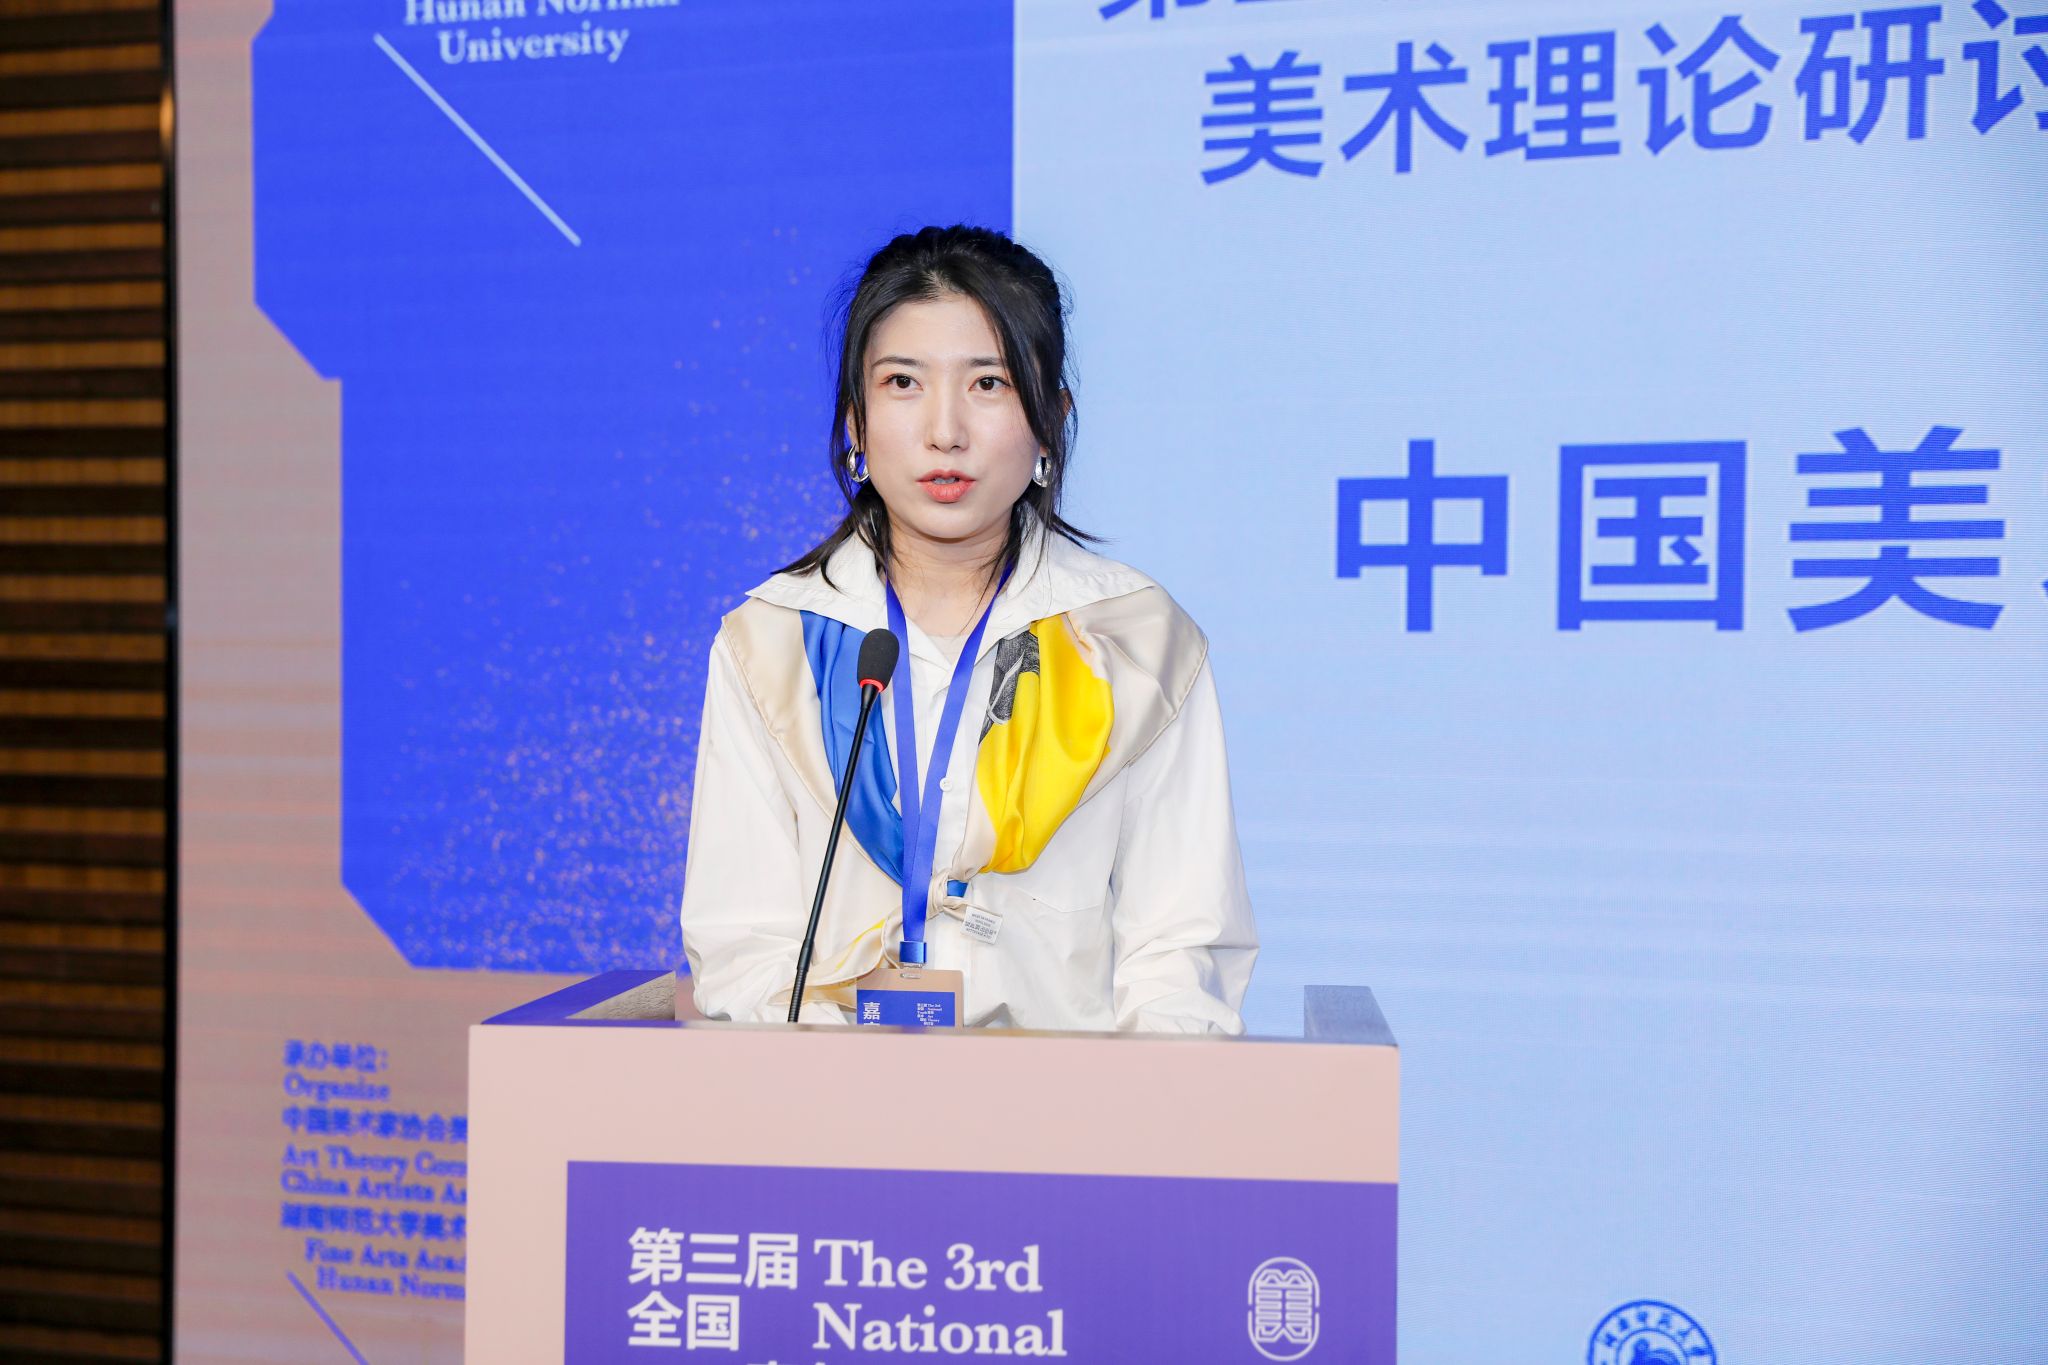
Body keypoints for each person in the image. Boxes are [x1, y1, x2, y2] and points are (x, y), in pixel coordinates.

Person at [677, 225, 1257, 1032]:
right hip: (827, 1097)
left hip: (1072, 1103)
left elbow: (1179, 958)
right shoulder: (773, 643)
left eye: (988, 383)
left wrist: (1115, 1104)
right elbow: (744, 950)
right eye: (903, 382)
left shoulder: (1136, 643)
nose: (944, 429)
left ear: (1051, 420)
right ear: (855, 423)